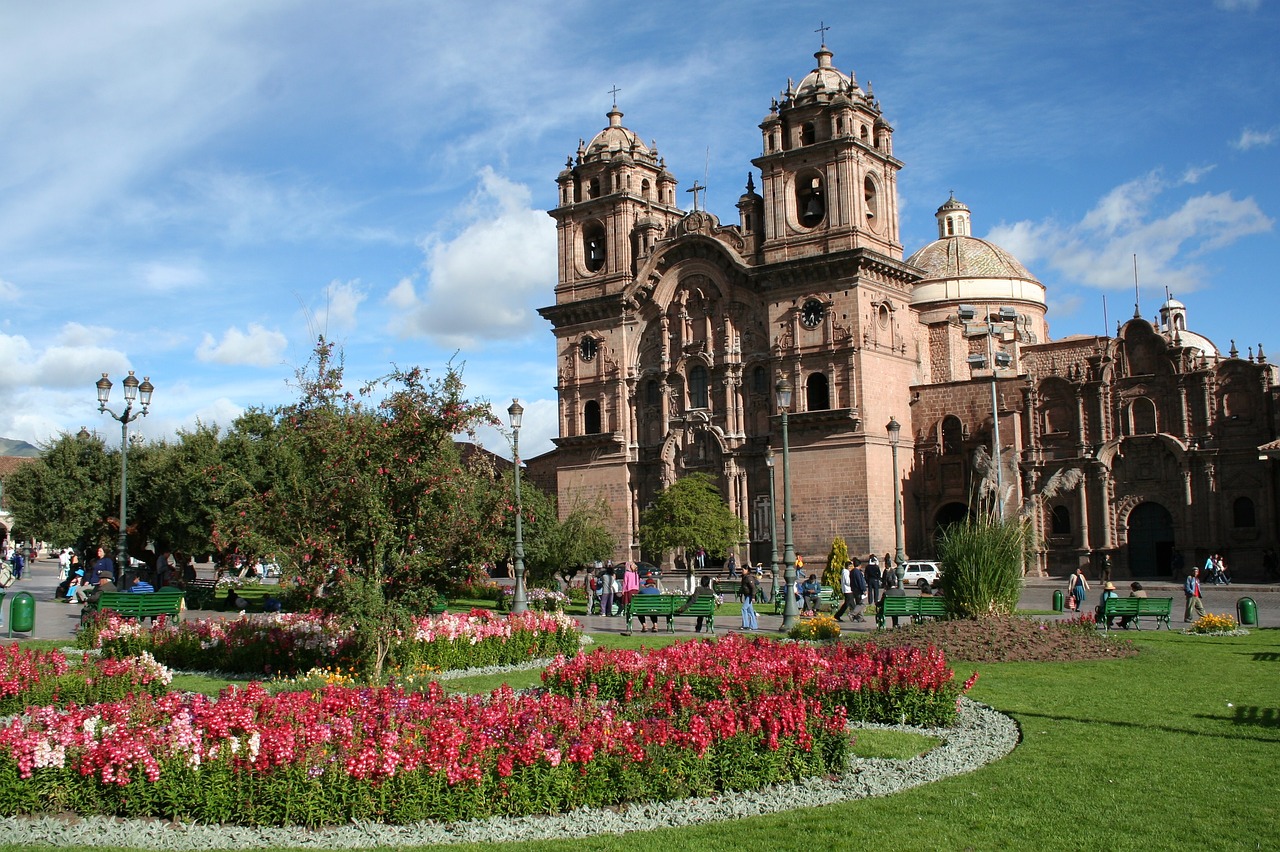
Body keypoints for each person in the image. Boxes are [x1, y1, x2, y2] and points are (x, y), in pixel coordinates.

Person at [738, 566, 758, 630]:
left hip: (749, 595)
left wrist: (753, 597)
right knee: (750, 611)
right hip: (747, 595)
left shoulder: (749, 578)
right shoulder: (744, 577)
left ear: (747, 570)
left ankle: (745, 625)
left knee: (744, 609)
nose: (742, 571)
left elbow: (753, 588)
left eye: (743, 569)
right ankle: (753, 625)